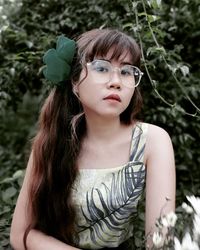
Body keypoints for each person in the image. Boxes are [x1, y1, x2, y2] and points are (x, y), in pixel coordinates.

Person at [10, 28, 176, 250]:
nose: (116, 81)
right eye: (101, 68)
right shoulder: (51, 142)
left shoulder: (152, 141)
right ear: (75, 82)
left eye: (127, 72)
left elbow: (160, 242)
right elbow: (20, 234)